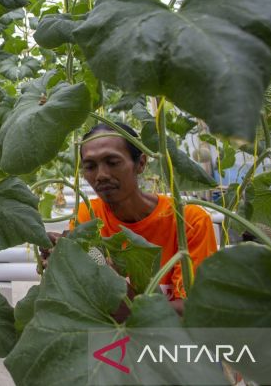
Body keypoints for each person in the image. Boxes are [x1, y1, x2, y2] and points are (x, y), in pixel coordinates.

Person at [44, 122, 217, 317]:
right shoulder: (88, 216)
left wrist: (109, 281)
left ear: (141, 163)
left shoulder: (191, 220)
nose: (101, 175)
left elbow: (191, 311)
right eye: (90, 166)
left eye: (112, 162)